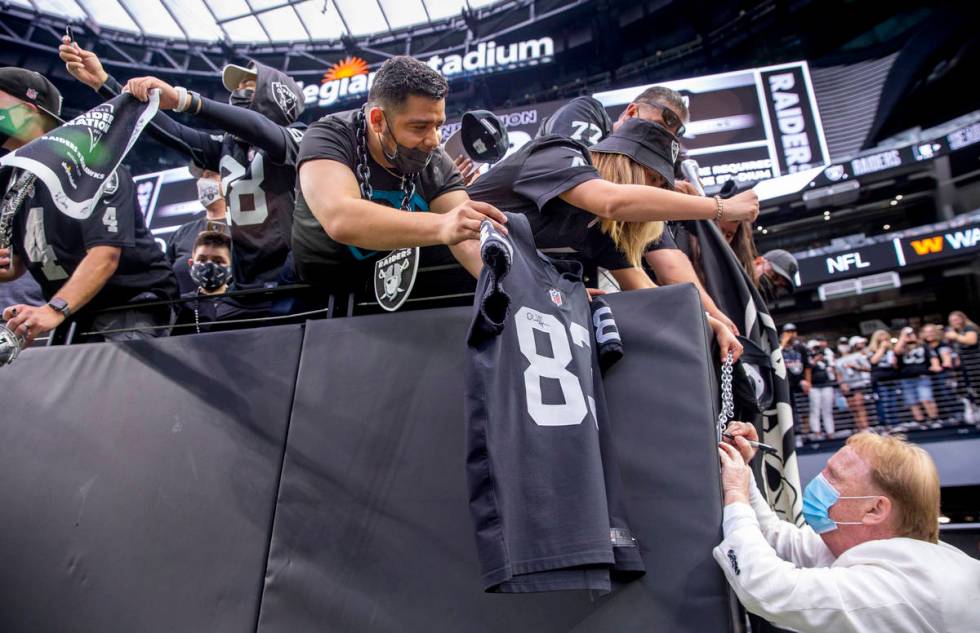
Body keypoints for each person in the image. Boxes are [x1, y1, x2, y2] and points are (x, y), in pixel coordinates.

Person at [467, 115, 755, 359]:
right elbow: (611, 201)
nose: (655, 191)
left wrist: (709, 323)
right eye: (652, 179)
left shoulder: (602, 230)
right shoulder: (557, 153)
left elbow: (645, 288)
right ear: (625, 161)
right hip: (436, 266)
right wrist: (721, 207)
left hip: (478, 295)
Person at [59, 40, 304, 288]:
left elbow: (261, 129)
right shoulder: (226, 147)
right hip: (243, 285)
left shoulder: (298, 137)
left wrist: (184, 99)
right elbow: (170, 131)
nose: (236, 94)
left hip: (294, 279)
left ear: (274, 97)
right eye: (236, 88)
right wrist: (103, 82)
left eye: (247, 88)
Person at [715, 422, 980, 632]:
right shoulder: (866, 547)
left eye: (833, 477)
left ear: (875, 509)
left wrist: (736, 493)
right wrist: (743, 474)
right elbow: (779, 540)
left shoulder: (900, 588)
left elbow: (768, 589)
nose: (819, 481)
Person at [291, 56, 507, 304]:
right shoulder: (330, 135)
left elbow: (466, 235)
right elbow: (340, 218)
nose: (434, 140)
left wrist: (507, 290)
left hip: (390, 285)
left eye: (438, 125)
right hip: (313, 290)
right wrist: (441, 225)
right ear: (377, 120)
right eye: (419, 127)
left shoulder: (435, 160)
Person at [0, 67, 176, 344]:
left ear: (28, 110)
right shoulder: (12, 179)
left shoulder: (90, 162)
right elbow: (15, 265)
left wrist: (53, 310)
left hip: (128, 303)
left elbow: (104, 256)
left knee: (116, 383)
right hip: (70, 309)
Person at [173, 230, 267, 334]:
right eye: (202, 260)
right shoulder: (180, 305)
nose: (209, 266)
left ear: (232, 266)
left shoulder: (245, 303)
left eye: (218, 261)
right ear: (191, 264)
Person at [166, 165, 228, 294]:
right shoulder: (183, 232)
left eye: (210, 175)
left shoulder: (243, 228)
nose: (203, 181)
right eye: (201, 176)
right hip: (186, 310)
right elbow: (167, 278)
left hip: (232, 309)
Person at [895, 326, 942, 426]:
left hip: (922, 376)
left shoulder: (923, 346)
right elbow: (897, 351)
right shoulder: (902, 346)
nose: (909, 336)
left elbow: (933, 357)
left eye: (911, 334)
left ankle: (934, 419)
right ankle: (920, 422)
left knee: (926, 399)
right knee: (912, 401)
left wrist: (935, 365)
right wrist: (903, 336)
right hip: (907, 378)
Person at [837, 336, 871, 432]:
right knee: (853, 408)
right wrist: (842, 384)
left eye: (845, 344)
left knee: (859, 405)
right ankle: (860, 429)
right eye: (841, 344)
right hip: (847, 387)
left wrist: (855, 367)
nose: (843, 346)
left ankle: (865, 428)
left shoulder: (857, 355)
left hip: (858, 384)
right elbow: (838, 374)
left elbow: (868, 368)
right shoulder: (838, 361)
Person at [780, 323, 811, 429]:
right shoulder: (779, 347)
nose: (791, 334)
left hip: (800, 381)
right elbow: (775, 358)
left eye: (793, 332)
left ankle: (806, 432)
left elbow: (807, 366)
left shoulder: (800, 347)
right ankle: (795, 433)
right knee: (789, 409)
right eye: (788, 332)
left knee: (805, 408)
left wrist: (808, 381)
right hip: (786, 383)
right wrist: (783, 343)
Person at [868, 329, 899, 427]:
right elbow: (873, 361)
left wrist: (894, 363)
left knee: (893, 402)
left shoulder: (891, 350)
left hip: (891, 378)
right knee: (883, 402)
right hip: (879, 380)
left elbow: (896, 366)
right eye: (881, 338)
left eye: (886, 338)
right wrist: (882, 348)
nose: (884, 340)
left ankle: (895, 423)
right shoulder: (871, 351)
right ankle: (885, 423)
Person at [807, 340, 837, 438]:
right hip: (814, 387)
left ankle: (830, 432)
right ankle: (816, 432)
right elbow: (807, 371)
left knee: (827, 410)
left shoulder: (826, 360)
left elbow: (832, 372)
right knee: (815, 409)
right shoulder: (809, 361)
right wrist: (815, 361)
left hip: (826, 386)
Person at [946, 310, 979, 389]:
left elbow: (972, 341)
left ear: (962, 319)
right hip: (967, 364)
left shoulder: (968, 328)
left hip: (976, 362)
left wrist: (955, 336)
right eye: (951, 321)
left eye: (956, 320)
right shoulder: (957, 331)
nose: (954, 322)